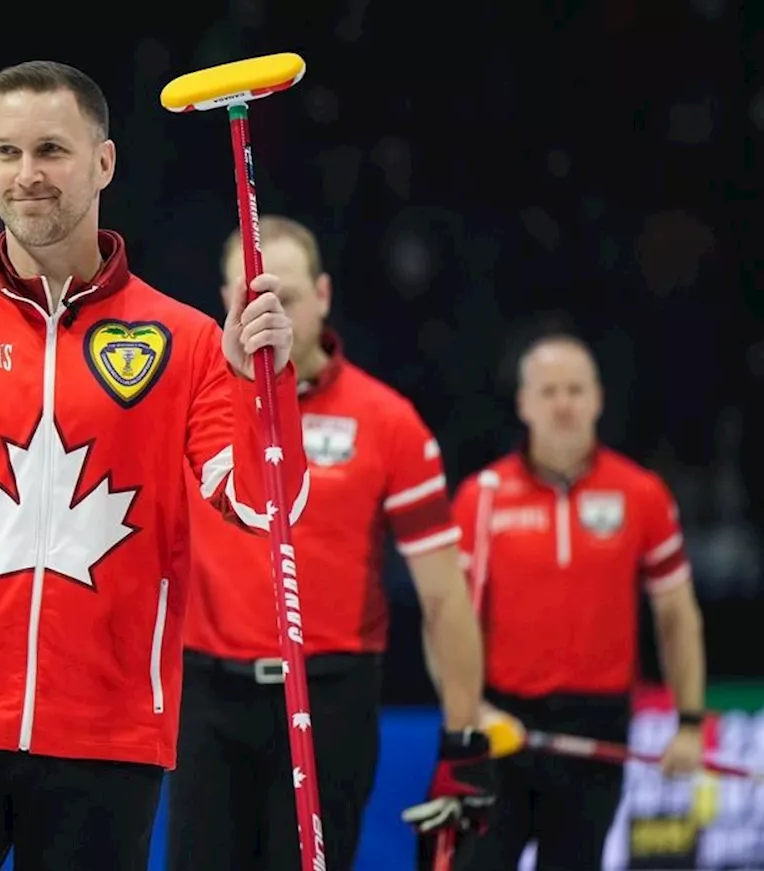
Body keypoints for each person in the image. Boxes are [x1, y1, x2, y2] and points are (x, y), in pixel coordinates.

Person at [0, 60, 308, 871]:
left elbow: (266, 508)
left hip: (108, 743)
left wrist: (266, 386)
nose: (28, 175)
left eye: (51, 149)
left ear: (104, 163)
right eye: (7, 153)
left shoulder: (183, 343)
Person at [166, 215, 494, 871]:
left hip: (328, 694)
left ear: (322, 295)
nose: (266, 313)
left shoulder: (388, 421)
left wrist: (464, 740)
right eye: (248, 296)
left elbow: (442, 595)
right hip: (207, 695)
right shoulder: (193, 403)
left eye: (283, 296)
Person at [454, 333, 707, 871]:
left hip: (597, 726)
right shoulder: (483, 495)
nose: (563, 403)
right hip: (501, 724)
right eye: (548, 391)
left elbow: (677, 615)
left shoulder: (642, 495)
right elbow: (451, 620)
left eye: (575, 389)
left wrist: (689, 722)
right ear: (523, 403)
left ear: (598, 398)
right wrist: (470, 706)